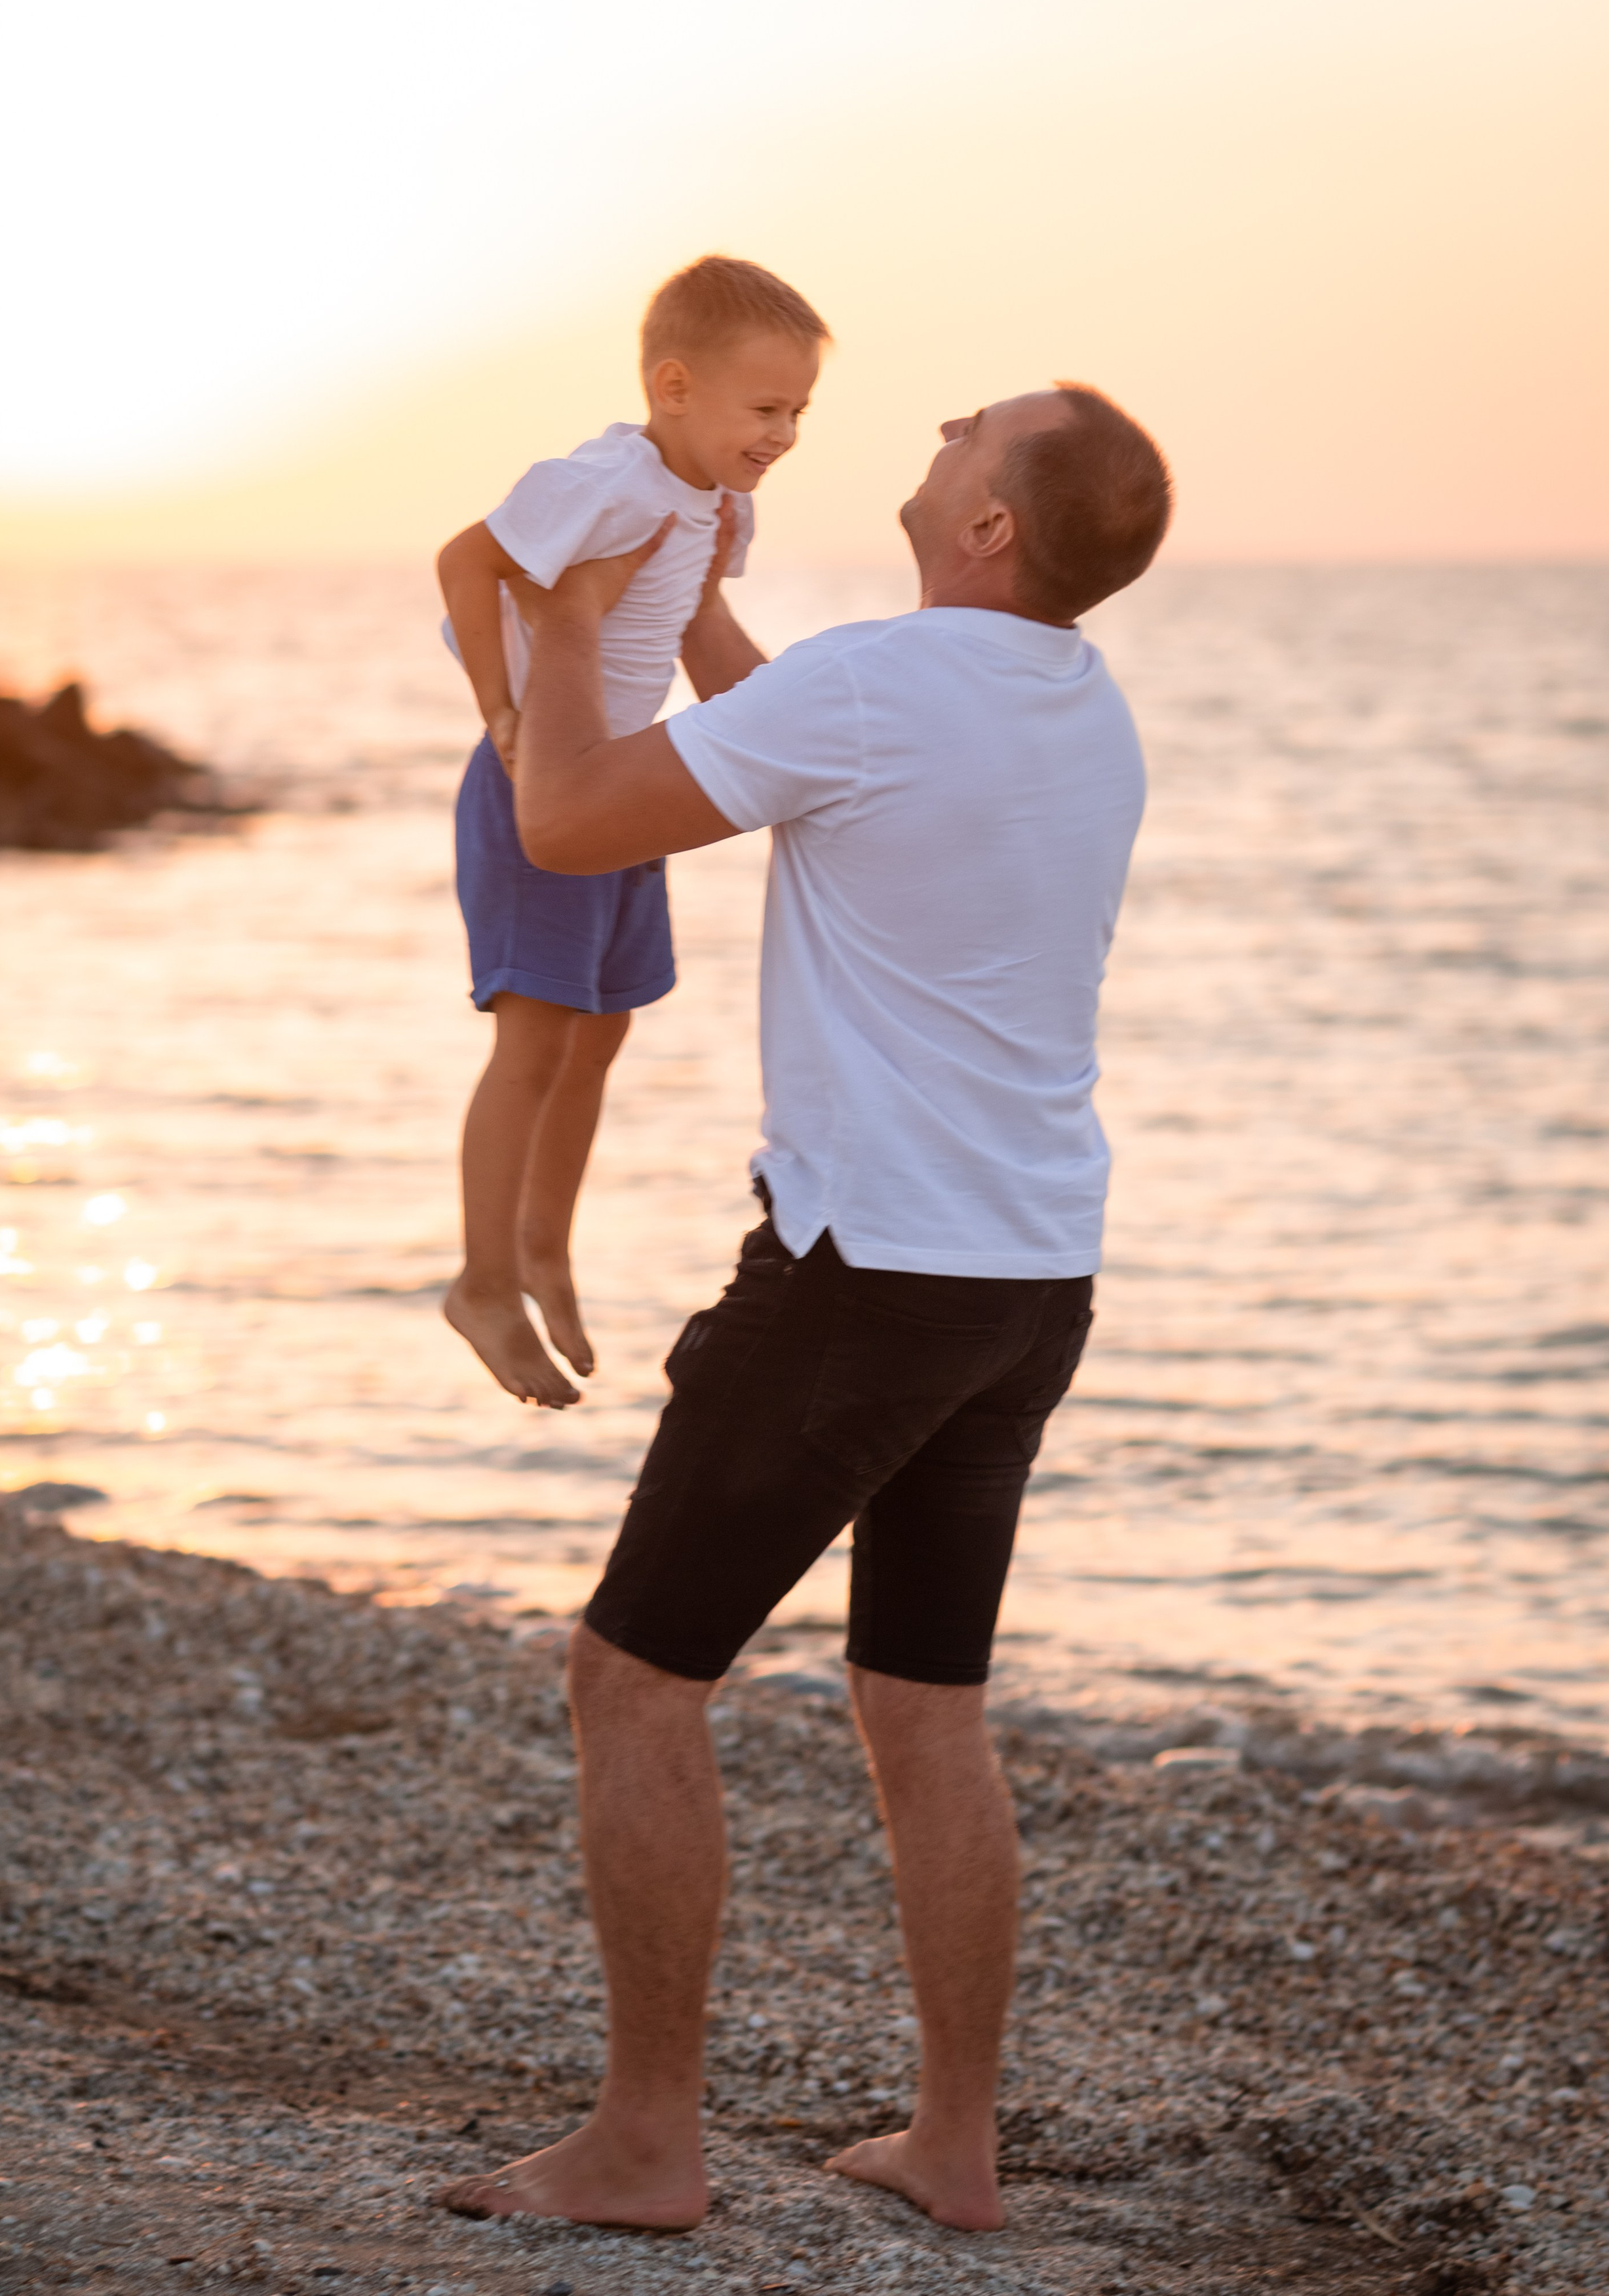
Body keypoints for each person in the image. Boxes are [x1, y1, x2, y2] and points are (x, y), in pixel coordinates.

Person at [435, 381, 1173, 2234]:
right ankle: (958, 2145)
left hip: (864, 1275)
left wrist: (548, 639)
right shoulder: (1075, 709)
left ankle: (647, 2143)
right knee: (927, 1704)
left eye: (966, 435)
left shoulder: (874, 686)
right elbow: (800, 744)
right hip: (1029, 1275)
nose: (934, 436)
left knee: (635, 1679)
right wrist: (688, 611)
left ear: (993, 523)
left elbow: (586, 824)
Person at [436, 256, 828, 1409]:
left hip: (624, 784)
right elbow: (468, 560)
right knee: (535, 1040)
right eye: (767, 410)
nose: (785, 435)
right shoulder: (604, 481)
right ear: (673, 387)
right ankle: (483, 1281)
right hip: (538, 783)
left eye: (800, 412)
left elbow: (695, 632)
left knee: (600, 1034)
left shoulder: (716, 502)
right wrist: (500, 712)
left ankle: (546, 1247)